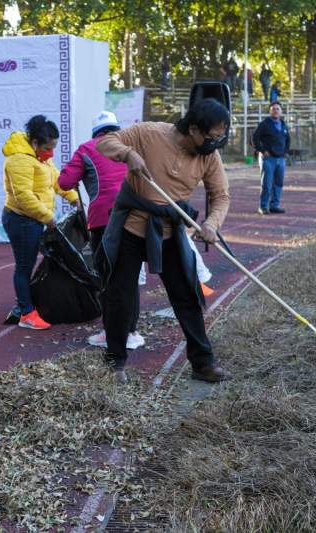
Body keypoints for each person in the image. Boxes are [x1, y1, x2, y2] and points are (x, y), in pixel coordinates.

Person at [96, 98, 232, 384]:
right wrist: (127, 154)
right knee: (119, 295)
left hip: (171, 231)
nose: (214, 144)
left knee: (188, 296)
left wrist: (211, 223)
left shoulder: (209, 156)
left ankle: (202, 362)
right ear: (193, 129)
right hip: (132, 227)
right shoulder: (149, 133)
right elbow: (106, 142)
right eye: (211, 138)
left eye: (219, 138)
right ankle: (115, 362)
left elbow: (220, 196)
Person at [57, 111, 145, 350]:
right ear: (115, 129)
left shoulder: (87, 148)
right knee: (130, 275)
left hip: (104, 220)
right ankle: (132, 332)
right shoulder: (129, 145)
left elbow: (64, 183)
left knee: (108, 277)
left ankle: (111, 332)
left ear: (96, 133)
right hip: (137, 216)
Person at [2, 115, 79, 330]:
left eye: (53, 147)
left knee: (28, 264)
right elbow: (23, 197)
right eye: (48, 147)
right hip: (22, 220)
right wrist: (49, 218)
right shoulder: (19, 160)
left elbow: (56, 180)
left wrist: (73, 198)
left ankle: (23, 305)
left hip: (34, 219)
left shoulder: (40, 158)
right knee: (24, 266)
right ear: (35, 142)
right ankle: (26, 313)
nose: (51, 152)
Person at [252, 101, 291, 215]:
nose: (275, 111)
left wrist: (286, 152)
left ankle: (275, 205)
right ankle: (263, 206)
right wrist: (262, 150)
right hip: (268, 159)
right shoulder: (264, 124)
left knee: (278, 183)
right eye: (273, 109)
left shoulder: (283, 124)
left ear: (281, 111)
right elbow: (254, 138)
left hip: (280, 159)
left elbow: (288, 139)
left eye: (277, 109)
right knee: (267, 184)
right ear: (270, 111)